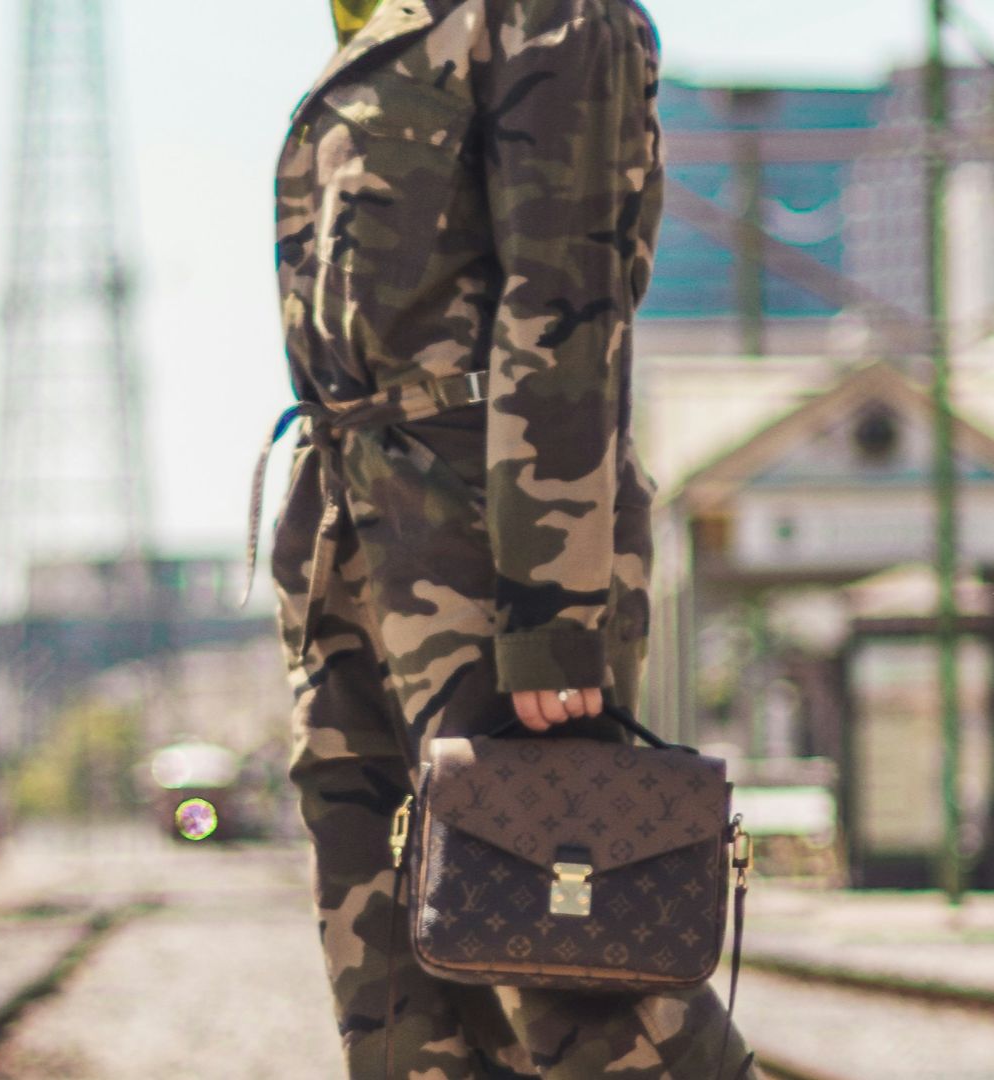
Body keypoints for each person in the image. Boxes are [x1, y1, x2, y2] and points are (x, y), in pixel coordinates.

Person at [244, 0, 761, 1075]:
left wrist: (554, 614)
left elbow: (567, 301)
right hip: (356, 529)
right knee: (390, 963)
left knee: (573, 962)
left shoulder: (550, 14)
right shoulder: (379, 22)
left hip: (493, 538)